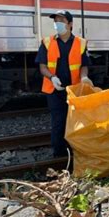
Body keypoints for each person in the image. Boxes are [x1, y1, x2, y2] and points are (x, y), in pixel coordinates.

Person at [35, 10, 92, 157]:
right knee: (58, 121)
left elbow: (84, 65)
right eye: (56, 21)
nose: (57, 24)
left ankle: (74, 151)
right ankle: (59, 153)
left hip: (74, 90)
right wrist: (52, 77)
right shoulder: (47, 42)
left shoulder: (81, 43)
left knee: (74, 121)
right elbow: (42, 67)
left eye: (61, 21)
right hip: (53, 90)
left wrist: (84, 77)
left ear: (70, 24)